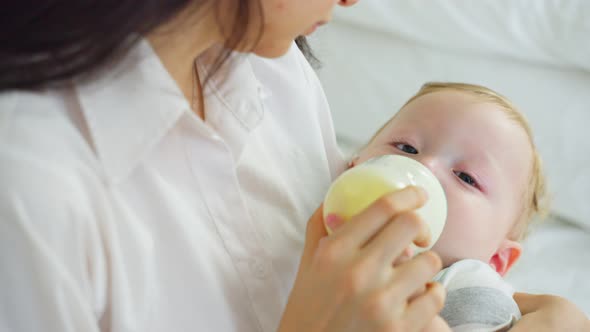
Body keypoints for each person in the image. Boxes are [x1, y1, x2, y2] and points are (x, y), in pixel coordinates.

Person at [0, 1, 587, 332]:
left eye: (466, 177)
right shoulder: (32, 188)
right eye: (406, 149)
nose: (422, 172)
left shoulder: (274, 69)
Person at [344, 82, 546, 330]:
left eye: (466, 178)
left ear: (495, 259)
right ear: (352, 164)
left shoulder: (468, 284)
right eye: (407, 147)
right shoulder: (313, 201)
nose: (426, 165)